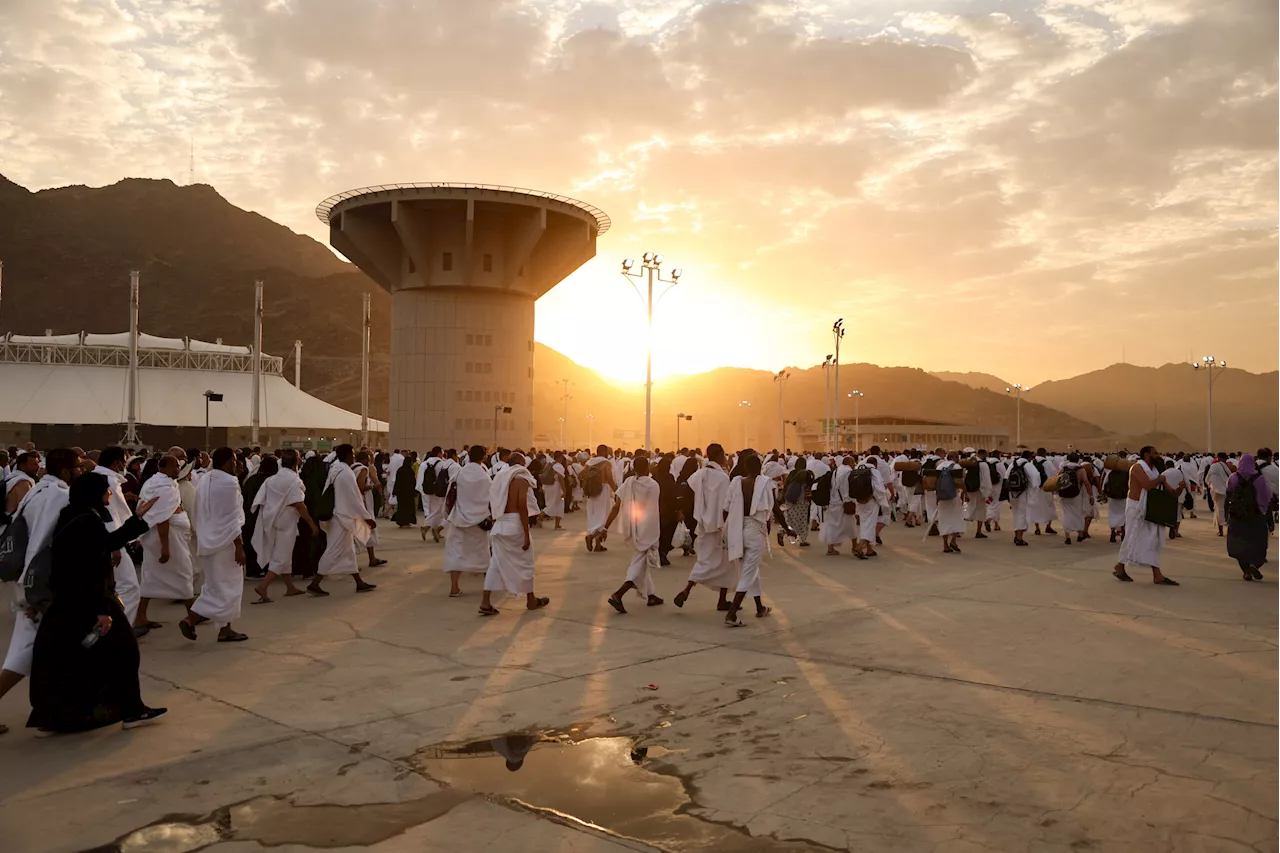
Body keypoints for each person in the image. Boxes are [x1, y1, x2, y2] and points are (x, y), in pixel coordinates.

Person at [25, 472, 166, 734]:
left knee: (71, 660)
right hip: (89, 600)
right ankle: (132, 710)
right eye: (106, 490)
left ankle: (58, 716)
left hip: (67, 601)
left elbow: (105, 544)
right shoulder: (86, 522)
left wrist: (137, 520)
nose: (110, 494)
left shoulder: (73, 516)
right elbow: (89, 566)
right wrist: (101, 610)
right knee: (125, 651)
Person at [0, 449, 80, 736]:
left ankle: (56, 708)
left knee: (41, 649)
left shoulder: (38, 491)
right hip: (36, 583)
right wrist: (34, 593)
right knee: (25, 651)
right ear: (66, 469)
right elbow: (40, 541)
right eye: (78, 466)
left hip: (28, 580)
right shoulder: (57, 496)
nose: (81, 472)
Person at [180, 448, 250, 642]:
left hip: (207, 541)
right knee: (230, 587)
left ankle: (223, 628)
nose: (236, 465)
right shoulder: (230, 483)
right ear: (226, 462)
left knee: (214, 587)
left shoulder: (205, 480)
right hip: (226, 543)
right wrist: (239, 546)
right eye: (234, 461)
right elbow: (232, 518)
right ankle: (192, 619)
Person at [723, 454, 792, 627]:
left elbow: (726, 509)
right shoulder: (765, 483)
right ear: (760, 466)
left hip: (739, 528)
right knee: (748, 572)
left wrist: (729, 530)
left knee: (751, 568)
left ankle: (759, 607)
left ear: (745, 467)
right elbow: (776, 509)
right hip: (755, 530)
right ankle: (732, 613)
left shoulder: (737, 482)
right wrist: (787, 528)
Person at [479, 453, 550, 616]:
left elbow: (493, 501)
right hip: (514, 525)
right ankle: (530, 600)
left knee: (495, 564)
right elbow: (521, 506)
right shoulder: (520, 478)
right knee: (526, 563)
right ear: (519, 463)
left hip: (500, 525)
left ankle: (485, 601)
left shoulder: (499, 478)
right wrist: (526, 533)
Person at [134, 455, 195, 631]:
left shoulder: (153, 483)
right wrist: (165, 548)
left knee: (150, 576)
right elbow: (162, 519)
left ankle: (141, 616)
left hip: (160, 537)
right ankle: (192, 616)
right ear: (163, 467)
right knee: (183, 573)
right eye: (175, 466)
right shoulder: (164, 488)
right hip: (167, 538)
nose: (178, 469)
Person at [309, 445, 378, 596]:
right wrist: (367, 517)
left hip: (338, 515)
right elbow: (354, 499)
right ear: (347, 455)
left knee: (348, 551)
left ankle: (359, 582)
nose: (354, 457)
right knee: (333, 551)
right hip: (341, 516)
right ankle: (314, 583)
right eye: (352, 454)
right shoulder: (346, 473)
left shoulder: (336, 468)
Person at [250, 449, 319, 602]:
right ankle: (263, 586)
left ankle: (290, 587)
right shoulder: (294, 481)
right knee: (281, 557)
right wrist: (312, 524)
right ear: (296, 462)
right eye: (300, 458)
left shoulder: (272, 479)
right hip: (286, 521)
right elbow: (299, 504)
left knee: (283, 554)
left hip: (271, 520)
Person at [674, 443, 735, 611]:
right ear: (720, 455)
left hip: (703, 524)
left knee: (706, 561)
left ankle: (696, 592)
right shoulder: (723, 478)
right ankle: (695, 593)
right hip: (719, 526)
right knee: (723, 563)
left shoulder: (698, 474)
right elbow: (726, 505)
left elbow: (689, 493)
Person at [606, 456, 664, 614]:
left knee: (641, 561)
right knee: (638, 564)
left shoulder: (628, 482)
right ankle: (619, 594)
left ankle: (651, 595)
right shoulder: (653, 485)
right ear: (647, 468)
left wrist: (605, 527)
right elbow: (652, 511)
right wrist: (653, 532)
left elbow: (617, 505)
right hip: (646, 529)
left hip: (632, 526)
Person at [93, 446, 142, 631]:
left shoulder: (96, 477)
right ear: (116, 462)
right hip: (112, 541)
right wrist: (119, 544)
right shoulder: (109, 482)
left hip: (100, 540)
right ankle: (120, 632)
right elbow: (111, 515)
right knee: (129, 587)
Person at [1113, 447, 1178, 586]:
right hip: (1136, 509)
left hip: (1149, 509)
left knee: (1151, 540)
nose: (1157, 455)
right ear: (1146, 454)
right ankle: (1121, 566)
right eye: (1154, 453)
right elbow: (1147, 485)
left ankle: (1156, 574)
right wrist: (1160, 479)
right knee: (1132, 538)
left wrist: (1179, 490)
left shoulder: (1154, 470)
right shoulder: (1136, 468)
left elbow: (1167, 489)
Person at [444, 445, 491, 597]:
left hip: (458, 518)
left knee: (455, 552)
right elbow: (490, 498)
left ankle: (454, 587)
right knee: (482, 553)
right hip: (479, 520)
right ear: (483, 457)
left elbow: (449, 495)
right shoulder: (484, 476)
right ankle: (488, 589)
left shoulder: (459, 473)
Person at [1226, 454, 1271, 581]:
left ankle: (1246, 571)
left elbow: (1229, 493)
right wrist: (1263, 512)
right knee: (1258, 542)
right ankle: (1254, 564)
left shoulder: (1233, 477)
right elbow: (1264, 498)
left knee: (1239, 543)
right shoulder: (1259, 478)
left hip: (1237, 516)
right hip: (1255, 516)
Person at [353, 450, 387, 567]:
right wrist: (374, 486)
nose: (369, 461)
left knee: (368, 532)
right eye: (368, 458)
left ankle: (372, 558)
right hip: (362, 505)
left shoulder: (352, 468)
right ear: (363, 460)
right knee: (362, 531)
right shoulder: (362, 469)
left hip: (359, 504)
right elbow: (361, 487)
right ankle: (353, 563)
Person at [583, 445, 618, 552]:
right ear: (604, 452)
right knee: (603, 517)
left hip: (591, 492)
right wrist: (617, 491)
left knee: (594, 517)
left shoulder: (589, 462)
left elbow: (581, 475)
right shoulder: (606, 463)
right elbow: (609, 478)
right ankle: (591, 537)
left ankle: (598, 545)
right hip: (602, 491)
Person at [782, 458, 814, 548]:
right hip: (802, 501)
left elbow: (786, 485)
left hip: (792, 500)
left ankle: (782, 531)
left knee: (790, 519)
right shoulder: (806, 474)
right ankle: (803, 540)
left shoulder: (792, 473)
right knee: (803, 521)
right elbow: (810, 485)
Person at [1206, 452, 1235, 537]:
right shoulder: (1227, 467)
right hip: (1226, 491)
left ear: (1218, 458)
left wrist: (1209, 485)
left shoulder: (1214, 466)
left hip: (1216, 491)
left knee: (1219, 510)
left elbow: (1208, 478)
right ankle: (1227, 529)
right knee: (1224, 510)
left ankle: (1220, 530)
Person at [391, 450, 418, 527]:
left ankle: (401, 521)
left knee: (401, 507)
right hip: (408, 494)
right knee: (408, 508)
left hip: (401, 493)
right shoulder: (410, 471)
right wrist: (414, 492)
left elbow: (398, 482)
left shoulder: (400, 470)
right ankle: (406, 521)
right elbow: (412, 483)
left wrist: (395, 491)